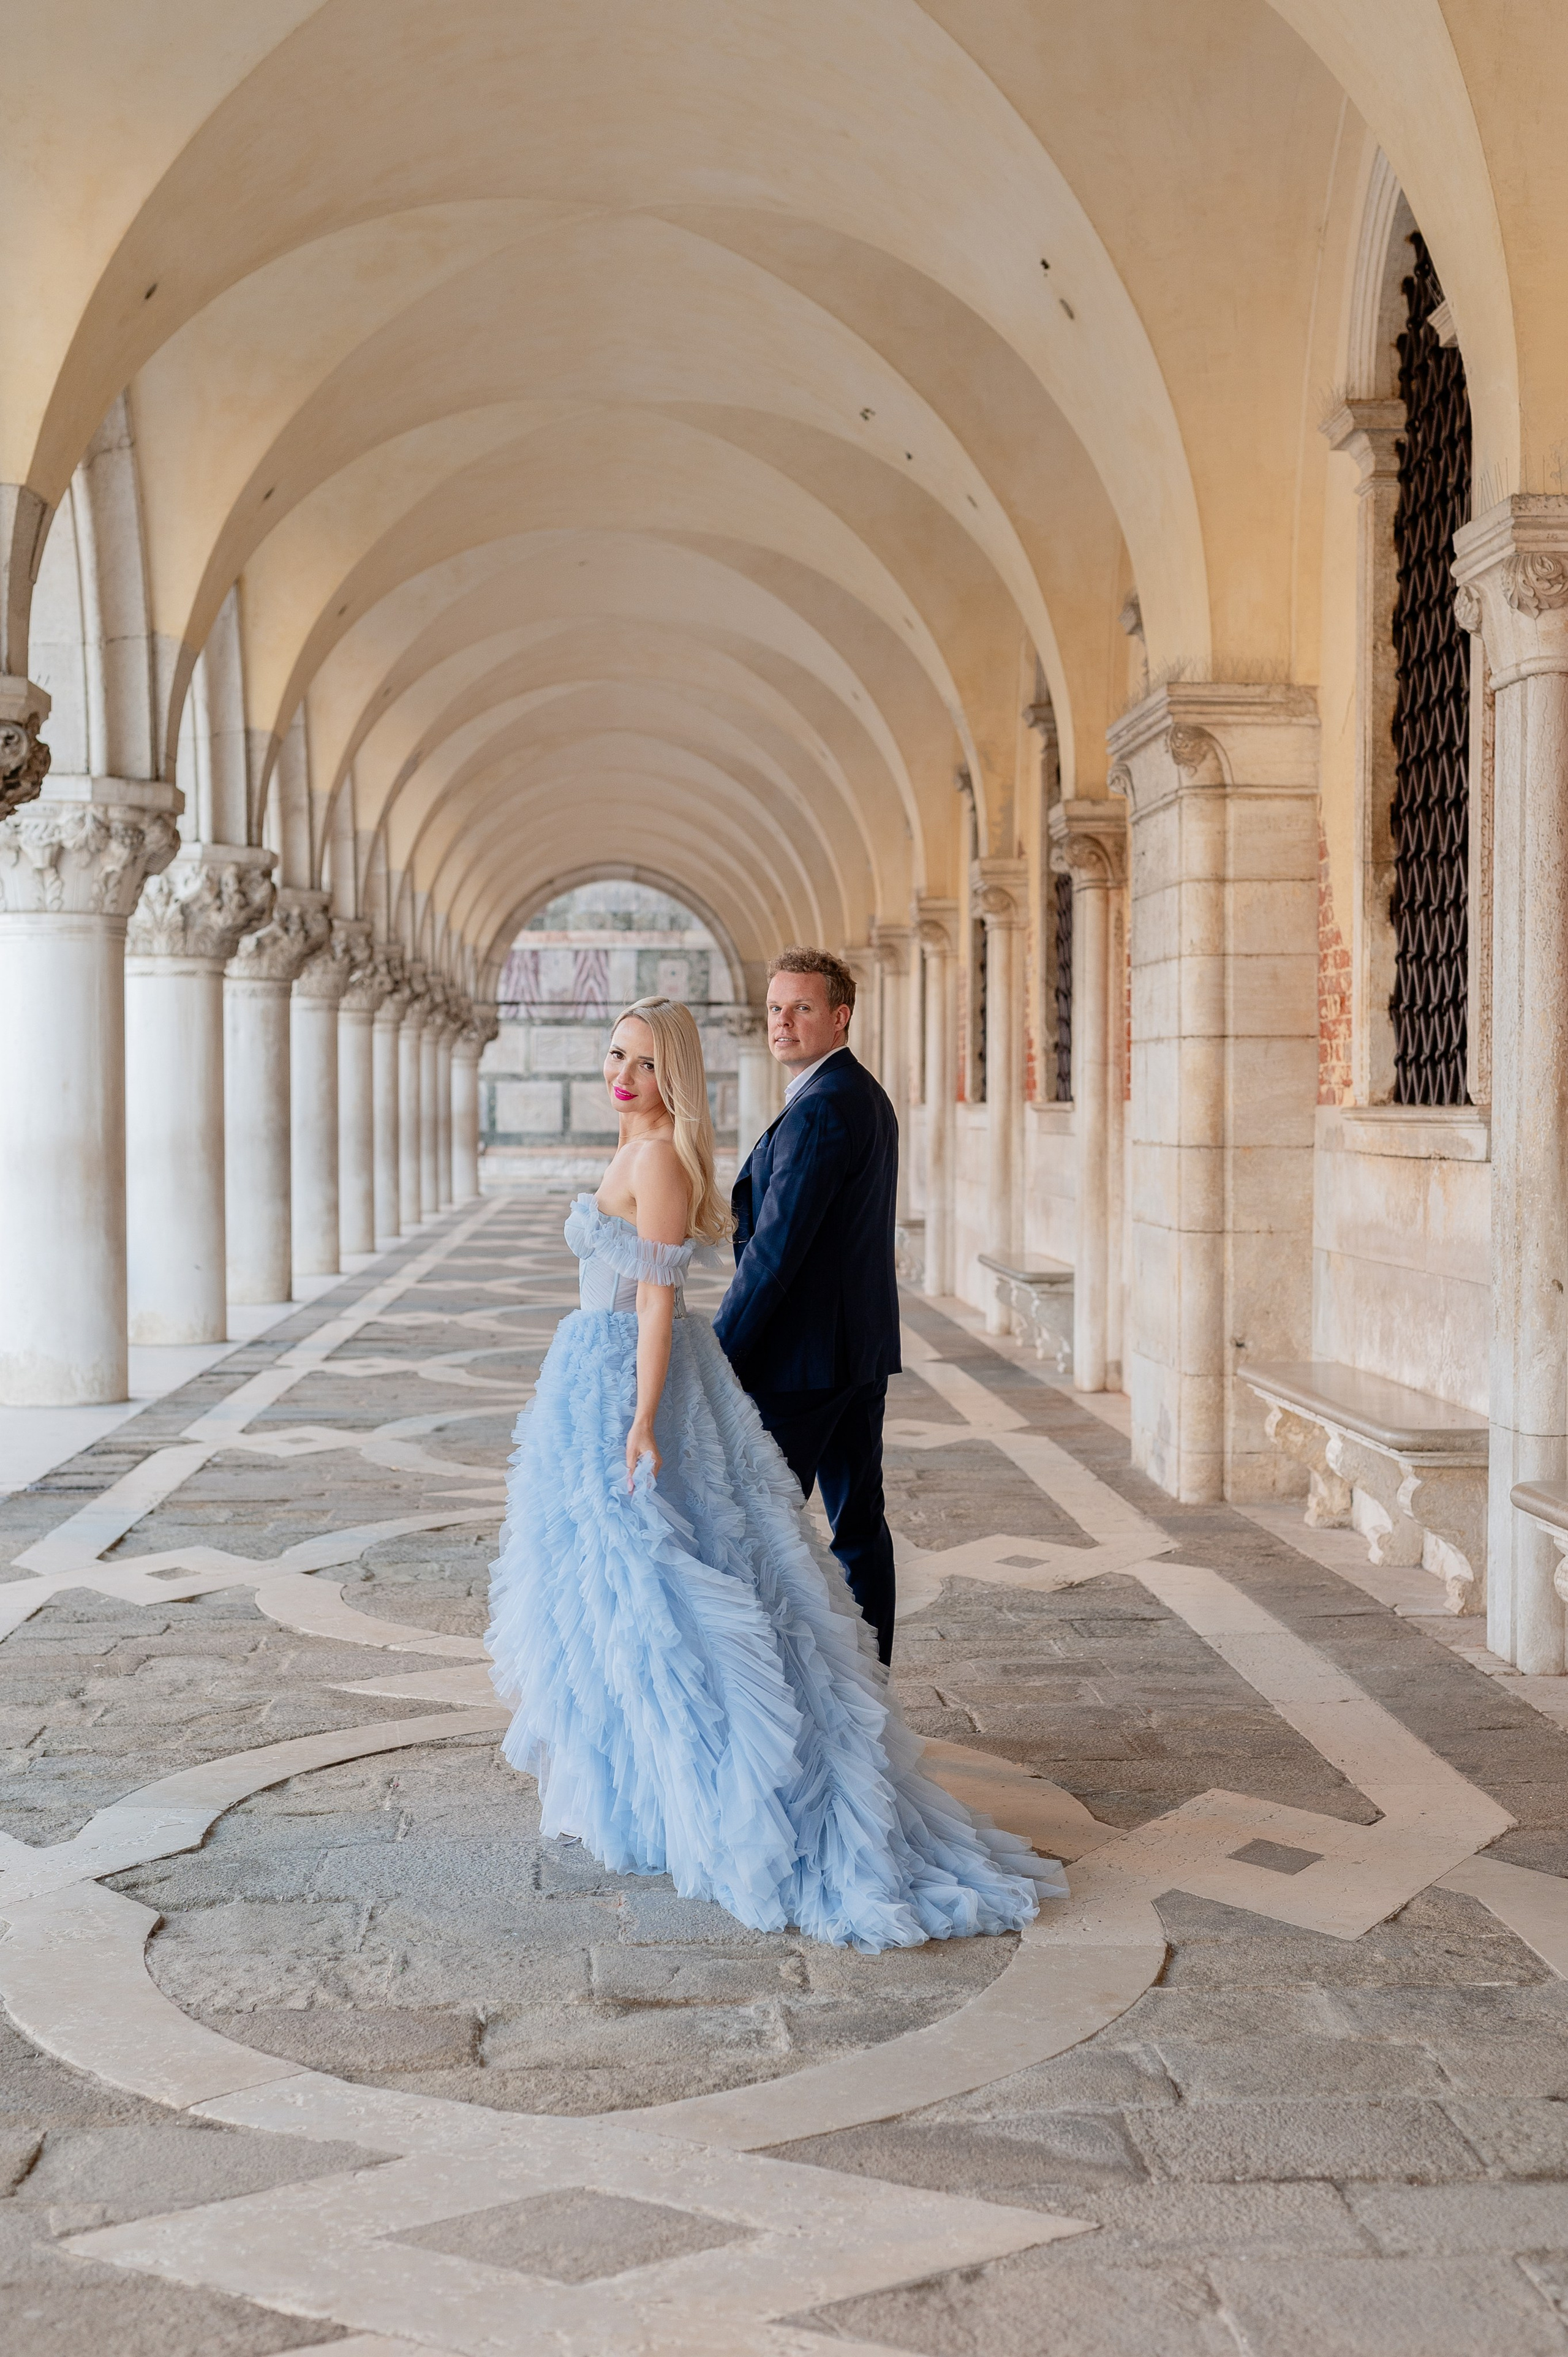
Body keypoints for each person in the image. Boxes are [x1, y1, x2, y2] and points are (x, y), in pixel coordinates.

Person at [487, 994, 1064, 1950]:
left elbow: (661, 1301)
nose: (620, 1076)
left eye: (639, 1062)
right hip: (588, 1376)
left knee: (677, 1575)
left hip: (627, 1381)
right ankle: (640, 1780)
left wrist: (643, 1419)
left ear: (669, 1073)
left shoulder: (662, 1156)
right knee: (609, 1583)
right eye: (613, 1055)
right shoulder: (634, 1149)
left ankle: (727, 1780)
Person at [713, 948, 899, 1662]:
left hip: (804, 1364)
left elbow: (776, 1252)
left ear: (839, 1016)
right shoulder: (851, 1093)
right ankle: (868, 1689)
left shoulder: (823, 1108)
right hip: (851, 1350)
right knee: (857, 1525)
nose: (782, 1022)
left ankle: (787, 1692)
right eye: (774, 1008)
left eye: (802, 1008)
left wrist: (720, 1353)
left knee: (758, 1524)